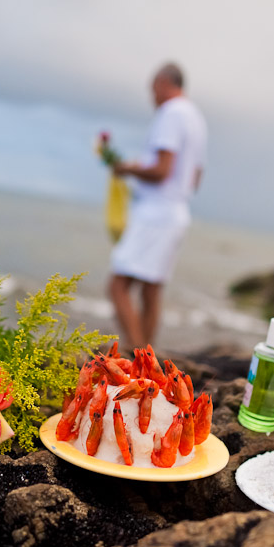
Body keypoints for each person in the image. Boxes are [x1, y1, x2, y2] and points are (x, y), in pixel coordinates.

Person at [109, 62, 207, 348]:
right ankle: (146, 364)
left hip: (157, 214)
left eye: (153, 89)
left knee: (117, 287)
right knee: (151, 293)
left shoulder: (172, 113)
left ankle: (137, 360)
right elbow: (196, 177)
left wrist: (128, 169)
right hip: (178, 212)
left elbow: (162, 170)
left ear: (164, 83)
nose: (152, 97)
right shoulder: (197, 118)